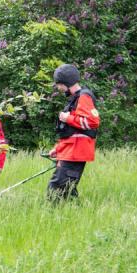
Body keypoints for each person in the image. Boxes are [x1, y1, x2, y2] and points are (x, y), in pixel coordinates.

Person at [47, 64, 100, 201]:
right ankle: (75, 215)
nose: (58, 88)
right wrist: (57, 149)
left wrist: (67, 118)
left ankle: (52, 215)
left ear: (66, 82)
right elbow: (71, 132)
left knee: (56, 188)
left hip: (76, 152)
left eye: (59, 84)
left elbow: (92, 122)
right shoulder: (74, 99)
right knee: (68, 190)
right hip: (70, 151)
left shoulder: (84, 97)